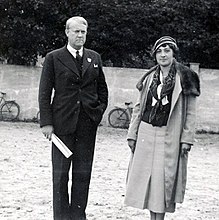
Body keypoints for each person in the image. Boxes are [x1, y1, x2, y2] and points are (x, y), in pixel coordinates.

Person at [38, 16, 108, 220]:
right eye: (76, 31)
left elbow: (102, 90)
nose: (80, 35)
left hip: (87, 126)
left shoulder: (94, 58)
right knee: (60, 176)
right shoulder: (53, 57)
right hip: (61, 127)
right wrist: (47, 123)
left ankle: (78, 216)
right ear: (67, 33)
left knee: (82, 175)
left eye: (83, 32)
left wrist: (97, 112)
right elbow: (44, 93)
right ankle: (61, 217)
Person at [124, 36, 200, 220]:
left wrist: (186, 139)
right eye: (159, 51)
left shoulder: (186, 77)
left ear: (174, 53)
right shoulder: (149, 77)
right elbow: (139, 107)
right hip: (146, 132)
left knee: (163, 180)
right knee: (147, 180)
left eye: (167, 50)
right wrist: (132, 134)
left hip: (170, 134)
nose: (163, 55)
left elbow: (190, 112)